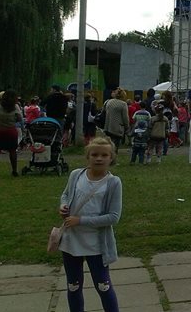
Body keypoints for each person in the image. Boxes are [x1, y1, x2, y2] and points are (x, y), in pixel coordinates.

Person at [58, 137, 123, 312]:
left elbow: (113, 217)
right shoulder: (76, 175)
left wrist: (81, 220)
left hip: (97, 244)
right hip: (72, 240)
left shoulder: (113, 183)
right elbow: (66, 195)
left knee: (103, 285)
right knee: (73, 285)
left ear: (111, 157)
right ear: (88, 156)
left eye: (104, 155)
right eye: (94, 154)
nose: (99, 158)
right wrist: (63, 206)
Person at [0, 89, 23, 177]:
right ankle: (14, 170)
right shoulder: (15, 107)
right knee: (12, 151)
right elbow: (19, 118)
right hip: (10, 130)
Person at [101, 89, 130, 155]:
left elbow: (103, 111)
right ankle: (113, 158)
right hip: (117, 127)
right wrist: (127, 127)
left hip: (107, 126)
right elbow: (125, 118)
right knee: (115, 145)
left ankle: (107, 155)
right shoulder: (123, 104)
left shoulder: (108, 102)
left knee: (109, 143)